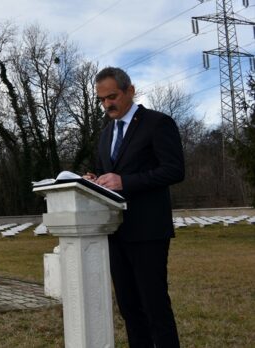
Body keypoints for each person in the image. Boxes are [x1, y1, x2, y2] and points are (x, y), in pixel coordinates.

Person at [85, 67, 184, 347]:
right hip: (116, 231)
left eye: (112, 96)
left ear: (130, 90)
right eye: (102, 100)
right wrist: (94, 180)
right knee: (129, 309)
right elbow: (108, 173)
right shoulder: (105, 134)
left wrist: (124, 181)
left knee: (154, 307)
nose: (107, 104)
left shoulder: (157, 123)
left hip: (149, 230)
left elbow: (174, 170)